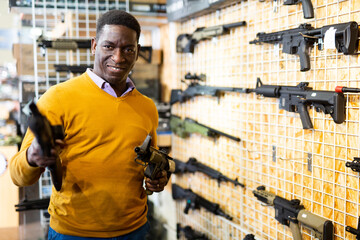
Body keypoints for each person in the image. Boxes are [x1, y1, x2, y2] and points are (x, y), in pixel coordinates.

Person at [9, 10, 169, 239]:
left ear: (137, 52)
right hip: (73, 233)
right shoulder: (58, 98)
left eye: (128, 49)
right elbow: (17, 175)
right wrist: (31, 158)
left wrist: (157, 178)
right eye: (109, 46)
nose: (118, 57)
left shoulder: (147, 107)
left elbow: (147, 163)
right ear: (94, 46)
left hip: (135, 230)